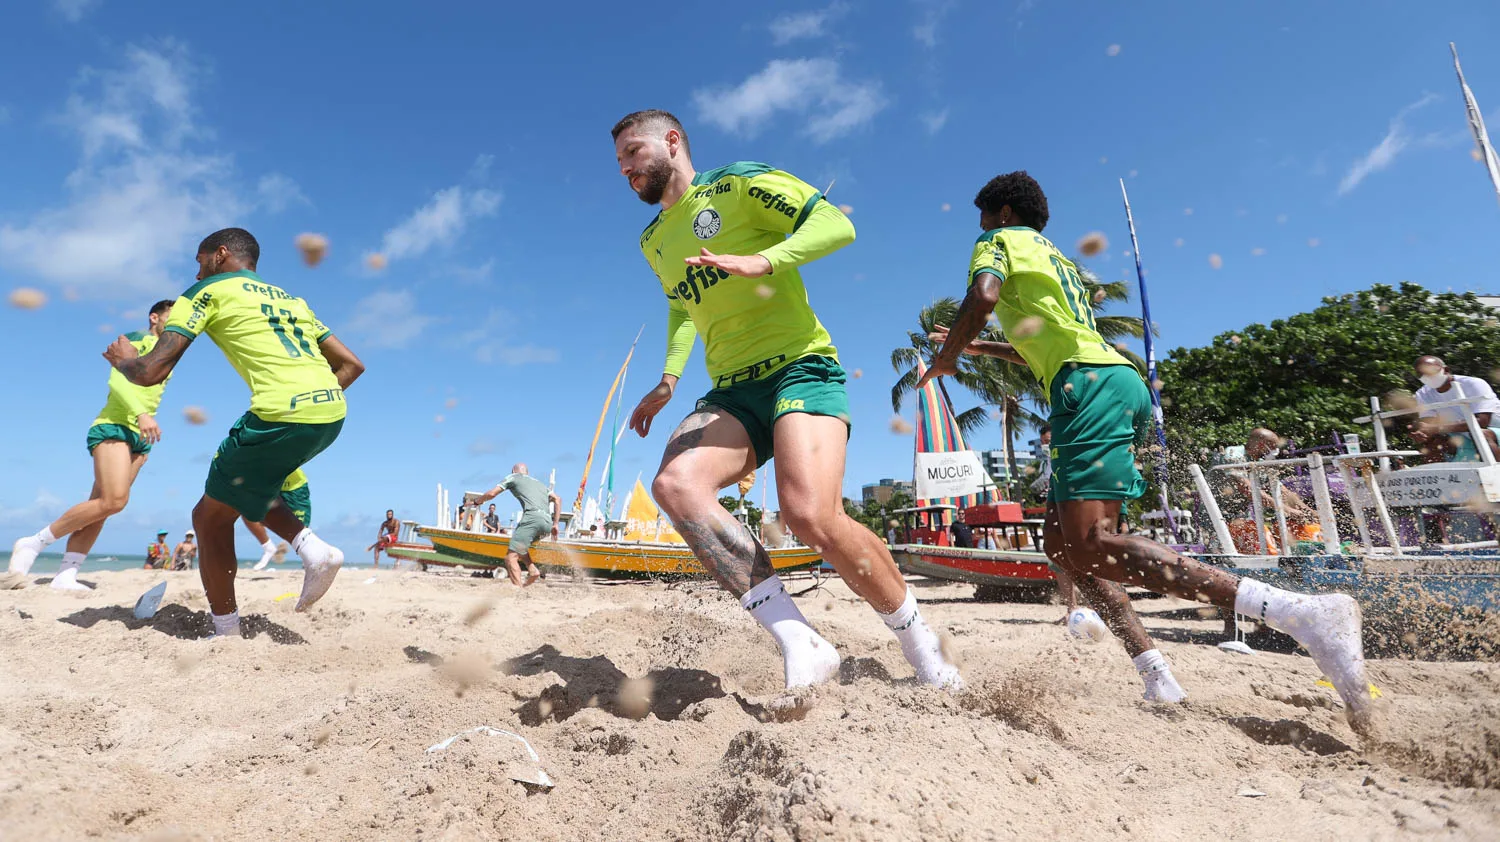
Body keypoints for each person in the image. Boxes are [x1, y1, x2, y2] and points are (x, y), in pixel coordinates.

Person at [921, 171, 1372, 731]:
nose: (980, 225)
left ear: (1004, 211)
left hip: (1087, 386)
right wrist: (970, 346)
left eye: (984, 214)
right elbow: (1043, 346)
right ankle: (1156, 673)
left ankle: (1300, 612)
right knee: (1065, 548)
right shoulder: (1052, 258)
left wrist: (947, 359)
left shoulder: (997, 242)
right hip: (1102, 378)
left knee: (1092, 541)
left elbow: (982, 295)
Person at [612, 109, 961, 694]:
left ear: (672, 142)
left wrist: (764, 259)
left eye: (632, 151)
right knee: (676, 486)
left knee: (810, 515)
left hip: (801, 366)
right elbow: (681, 305)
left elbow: (834, 225)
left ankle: (917, 639)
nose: (624, 168)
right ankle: (801, 639)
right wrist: (669, 380)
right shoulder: (652, 241)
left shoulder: (737, 185)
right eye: (619, 160)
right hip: (732, 389)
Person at [103, 228, 365, 638]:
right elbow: (352, 364)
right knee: (237, 494)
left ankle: (228, 628)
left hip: (281, 411)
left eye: (199, 261)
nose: (196, 272)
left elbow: (151, 372)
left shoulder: (205, 293)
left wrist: (124, 360)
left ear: (220, 254)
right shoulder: (292, 299)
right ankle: (310, 550)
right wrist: (313, 399)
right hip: (331, 414)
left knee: (207, 518)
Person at [6, 300, 177, 591]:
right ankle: (34, 543)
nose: (176, 324)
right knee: (114, 501)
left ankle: (66, 574)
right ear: (154, 317)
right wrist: (142, 414)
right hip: (114, 426)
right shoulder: (135, 340)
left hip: (141, 436)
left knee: (102, 508)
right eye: (172, 318)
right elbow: (118, 381)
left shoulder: (166, 354)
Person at [1215, 428, 1321, 554]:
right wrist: (1286, 510)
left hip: (1240, 516)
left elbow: (1282, 491)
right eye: (1273, 447)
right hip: (1216, 516)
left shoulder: (1259, 462)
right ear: (1261, 445)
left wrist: (1309, 512)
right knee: (1257, 542)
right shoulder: (1234, 454)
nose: (1276, 451)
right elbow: (1248, 489)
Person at [475, 464, 557, 586]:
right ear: (527, 473)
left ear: (513, 471)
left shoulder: (513, 477)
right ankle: (532, 569)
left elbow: (492, 494)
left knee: (510, 558)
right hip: (547, 523)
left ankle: (518, 590)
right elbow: (558, 499)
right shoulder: (540, 484)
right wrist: (555, 524)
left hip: (532, 518)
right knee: (521, 547)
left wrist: (478, 501)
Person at [1410, 356, 1500, 463]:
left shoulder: (1474, 384)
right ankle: (1438, 477)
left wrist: (1435, 428)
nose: (1426, 376)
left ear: (1446, 370)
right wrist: (1422, 433)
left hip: (1493, 430)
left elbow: (1482, 422)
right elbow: (1429, 425)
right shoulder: (1423, 393)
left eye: (1430, 371)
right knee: (1433, 442)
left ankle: (1495, 474)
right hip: (1460, 434)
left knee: (1481, 434)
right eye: (1421, 374)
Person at [247, 469, 313, 571]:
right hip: (268, 484)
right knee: (246, 510)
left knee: (300, 530)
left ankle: (308, 558)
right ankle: (268, 547)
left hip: (294, 486)